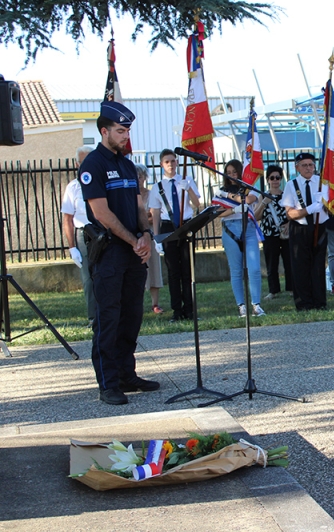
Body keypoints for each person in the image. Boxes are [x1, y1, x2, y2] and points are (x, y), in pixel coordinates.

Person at [79, 101, 158, 405]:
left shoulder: (126, 165)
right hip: (111, 252)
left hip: (134, 251)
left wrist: (147, 235)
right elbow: (101, 213)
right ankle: (108, 382)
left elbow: (139, 206)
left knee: (131, 316)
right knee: (108, 318)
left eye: (127, 130)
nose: (126, 136)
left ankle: (127, 373)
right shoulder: (93, 165)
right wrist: (131, 240)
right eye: (120, 130)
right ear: (104, 131)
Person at [149, 149, 201, 323]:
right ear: (161, 165)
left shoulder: (187, 180)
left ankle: (190, 309)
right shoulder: (157, 187)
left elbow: (197, 204)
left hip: (186, 225)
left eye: (173, 161)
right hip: (167, 227)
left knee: (188, 270)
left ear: (177, 162)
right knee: (173, 272)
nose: (170, 164)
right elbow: (155, 213)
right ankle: (177, 310)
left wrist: (189, 190)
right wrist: (156, 238)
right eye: (166, 162)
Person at [214, 159, 266, 318]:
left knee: (254, 268)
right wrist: (234, 210)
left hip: (248, 229)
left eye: (234, 172)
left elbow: (248, 200)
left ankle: (256, 304)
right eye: (228, 173)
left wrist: (230, 196)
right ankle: (241, 306)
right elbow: (218, 212)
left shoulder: (249, 188)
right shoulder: (220, 191)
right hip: (230, 229)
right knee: (236, 270)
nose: (231, 176)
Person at [281, 153, 329, 311]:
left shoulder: (322, 183)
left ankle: (320, 302)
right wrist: (308, 210)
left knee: (318, 267)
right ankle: (304, 303)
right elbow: (290, 213)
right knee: (300, 267)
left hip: (319, 227)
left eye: (311, 165)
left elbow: (333, 208)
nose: (308, 168)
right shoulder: (291, 185)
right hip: (300, 228)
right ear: (297, 167)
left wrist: (325, 205)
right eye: (304, 165)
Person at [61, 146, 95, 327]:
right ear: (77, 164)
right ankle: (93, 317)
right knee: (88, 278)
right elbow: (67, 218)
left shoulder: (100, 181)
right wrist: (72, 247)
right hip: (84, 233)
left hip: (103, 230)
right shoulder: (73, 187)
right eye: (83, 162)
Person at [260, 165, 293, 299]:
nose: (275, 180)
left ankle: (291, 288)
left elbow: (292, 213)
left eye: (278, 177)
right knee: (271, 263)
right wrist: (264, 202)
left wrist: (289, 223)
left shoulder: (286, 195)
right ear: (268, 179)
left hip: (285, 233)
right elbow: (255, 216)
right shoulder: (262, 196)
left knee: (289, 261)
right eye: (272, 178)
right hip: (269, 234)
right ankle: (273, 290)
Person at [134, 164, 164, 314]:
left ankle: (155, 303)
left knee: (153, 267)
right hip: (133, 235)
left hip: (150, 234)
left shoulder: (151, 193)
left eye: (140, 176)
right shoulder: (129, 195)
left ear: (145, 177)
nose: (138, 179)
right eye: (135, 176)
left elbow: (153, 216)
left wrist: (142, 217)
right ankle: (135, 302)